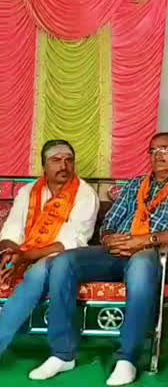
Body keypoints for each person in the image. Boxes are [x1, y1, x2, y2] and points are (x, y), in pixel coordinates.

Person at [32, 133, 168, 385]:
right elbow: (110, 221)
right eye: (153, 150)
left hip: (152, 251)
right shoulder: (135, 184)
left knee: (142, 265)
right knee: (63, 261)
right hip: (117, 250)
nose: (158, 154)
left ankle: (127, 359)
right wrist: (111, 239)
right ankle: (62, 353)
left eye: (166, 149)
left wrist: (145, 240)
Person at [0, 140, 98, 359]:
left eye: (68, 160)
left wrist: (25, 257)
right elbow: (12, 230)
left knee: (37, 272)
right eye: (56, 160)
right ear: (44, 165)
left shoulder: (84, 194)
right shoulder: (28, 191)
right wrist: (10, 253)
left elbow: (71, 241)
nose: (64, 166)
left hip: (65, 258)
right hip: (25, 252)